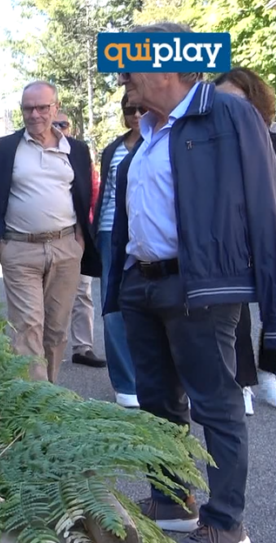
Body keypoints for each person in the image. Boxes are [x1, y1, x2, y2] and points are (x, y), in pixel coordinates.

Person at [105, 22, 276, 543]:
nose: (123, 77)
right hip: (143, 284)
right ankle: (173, 500)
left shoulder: (228, 114)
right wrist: (123, 283)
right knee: (157, 405)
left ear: (167, 65)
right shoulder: (146, 134)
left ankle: (226, 523)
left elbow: (264, 205)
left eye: (131, 65)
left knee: (215, 406)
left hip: (200, 287)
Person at [0, 80, 100, 383]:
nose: (35, 115)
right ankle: (35, 397)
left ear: (56, 108)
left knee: (56, 329)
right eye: (28, 108)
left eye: (42, 107)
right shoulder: (3, 149)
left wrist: (80, 239)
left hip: (65, 248)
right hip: (19, 249)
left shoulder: (76, 150)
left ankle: (49, 390)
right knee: (28, 327)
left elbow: (83, 195)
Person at [214, 66, 276, 415]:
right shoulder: (212, 144)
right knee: (233, 310)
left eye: (237, 100)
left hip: (268, 230)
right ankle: (242, 382)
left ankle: (267, 371)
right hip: (233, 236)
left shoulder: (268, 139)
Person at [92, 94, 143, 409]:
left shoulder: (165, 140)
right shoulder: (112, 148)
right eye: (129, 109)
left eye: (142, 108)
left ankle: (160, 378)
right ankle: (125, 383)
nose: (136, 114)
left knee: (154, 306)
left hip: (148, 232)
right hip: (111, 231)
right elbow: (105, 195)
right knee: (113, 309)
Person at [54, 111, 107, 370]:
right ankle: (46, 349)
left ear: (70, 127)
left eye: (62, 124)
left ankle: (83, 347)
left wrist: (89, 228)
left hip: (79, 233)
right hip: (50, 235)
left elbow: (95, 192)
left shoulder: (79, 153)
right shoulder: (36, 153)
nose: (58, 127)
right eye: (54, 123)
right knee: (50, 294)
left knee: (82, 292)